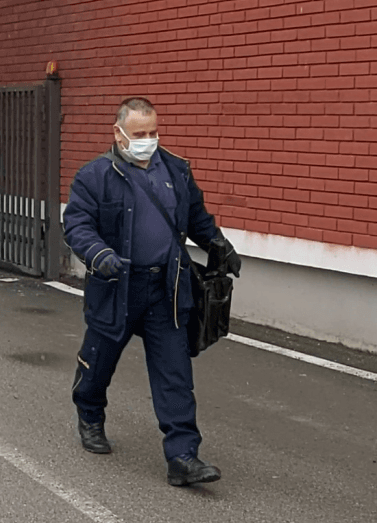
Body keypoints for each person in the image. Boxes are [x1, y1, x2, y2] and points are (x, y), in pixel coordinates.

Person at [63, 97, 241, 487]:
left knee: (174, 371)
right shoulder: (94, 177)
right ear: (119, 133)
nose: (148, 140)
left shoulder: (176, 170)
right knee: (100, 358)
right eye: (139, 134)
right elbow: (76, 224)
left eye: (153, 132)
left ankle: (182, 455)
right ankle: (90, 413)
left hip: (167, 287)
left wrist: (218, 245)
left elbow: (195, 216)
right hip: (116, 285)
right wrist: (99, 254)